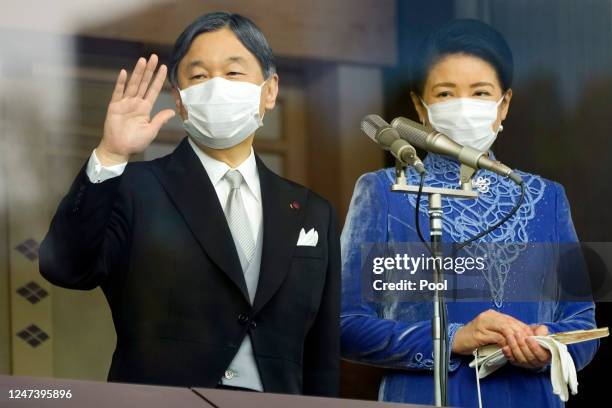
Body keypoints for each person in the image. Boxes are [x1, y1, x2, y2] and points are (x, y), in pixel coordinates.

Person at [39, 12, 339, 396]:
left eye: (233, 73)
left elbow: (323, 352)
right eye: (198, 77)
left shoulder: (312, 211)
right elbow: (64, 267)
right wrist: (111, 155)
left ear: (270, 89)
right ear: (179, 101)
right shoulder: (136, 189)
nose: (216, 88)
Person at [340, 19, 597, 407]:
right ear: (419, 106)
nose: (465, 106)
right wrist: (453, 338)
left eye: (480, 93)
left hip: (531, 398)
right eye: (445, 93)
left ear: (503, 104)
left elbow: (583, 325)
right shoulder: (383, 192)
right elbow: (343, 325)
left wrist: (549, 348)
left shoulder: (547, 198)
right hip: (424, 397)